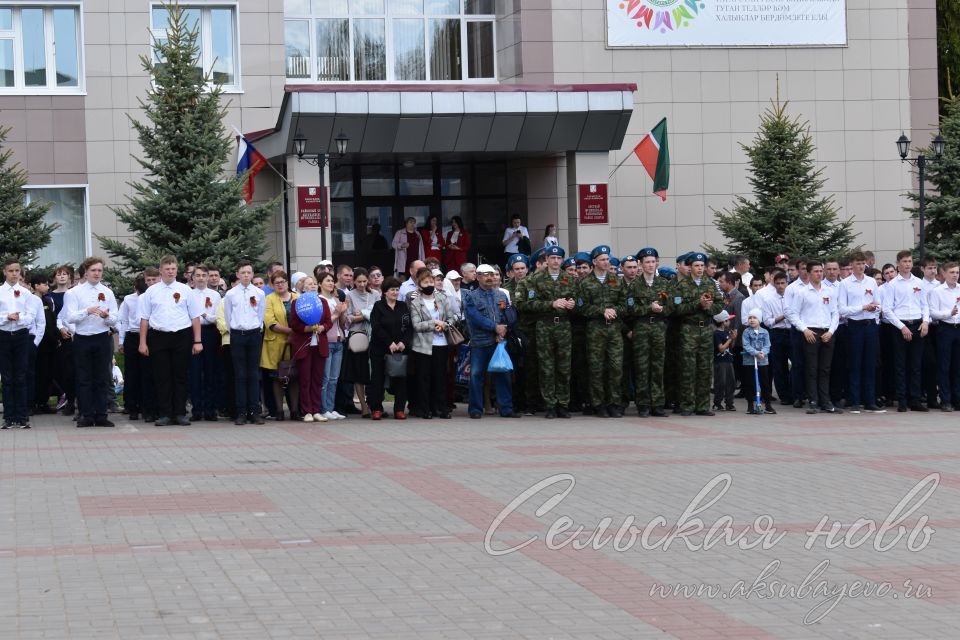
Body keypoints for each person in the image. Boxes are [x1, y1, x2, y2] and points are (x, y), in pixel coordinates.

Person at [138, 255, 203, 427]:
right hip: (159, 337)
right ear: (161, 271)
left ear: (177, 270)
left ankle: (180, 413)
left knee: (180, 376)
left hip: (182, 335)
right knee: (162, 376)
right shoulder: (151, 292)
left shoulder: (185, 290)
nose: (170, 271)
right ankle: (165, 414)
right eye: (167, 269)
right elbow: (144, 319)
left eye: (173, 268)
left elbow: (195, 317)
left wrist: (198, 341)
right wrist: (142, 342)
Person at [515, 245, 577, 418]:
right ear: (547, 260)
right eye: (552, 258)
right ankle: (550, 404)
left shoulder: (569, 279)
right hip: (544, 325)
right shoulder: (534, 279)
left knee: (564, 367)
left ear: (562, 260)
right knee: (546, 367)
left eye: (559, 258)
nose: (556, 261)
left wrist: (572, 305)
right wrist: (550, 304)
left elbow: (578, 301)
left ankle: (563, 404)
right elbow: (523, 304)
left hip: (564, 325)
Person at [62, 257, 118, 428]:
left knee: (102, 378)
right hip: (82, 338)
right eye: (93, 270)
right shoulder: (73, 293)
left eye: (100, 270)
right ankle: (86, 414)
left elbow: (115, 319)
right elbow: (69, 317)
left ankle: (101, 414)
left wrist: (106, 317)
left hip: (102, 337)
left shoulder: (108, 292)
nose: (97, 273)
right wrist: (87, 311)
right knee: (84, 378)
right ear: (85, 272)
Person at [576, 245, 626, 418]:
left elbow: (625, 303)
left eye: (607, 259)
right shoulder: (585, 282)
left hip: (614, 329)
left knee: (616, 367)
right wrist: (601, 311)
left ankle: (614, 402)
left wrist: (614, 310)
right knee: (596, 368)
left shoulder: (616, 280)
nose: (606, 262)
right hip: (595, 329)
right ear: (595, 262)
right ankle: (599, 404)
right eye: (603, 260)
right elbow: (581, 308)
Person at [785, 260, 841, 414]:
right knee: (811, 368)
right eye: (815, 271)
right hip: (811, 333)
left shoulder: (829, 291)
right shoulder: (801, 292)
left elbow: (835, 312)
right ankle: (813, 400)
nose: (819, 274)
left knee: (825, 369)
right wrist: (804, 329)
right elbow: (792, 313)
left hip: (827, 332)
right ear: (808, 274)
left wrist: (831, 331)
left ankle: (825, 401)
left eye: (820, 271)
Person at [464, 264, 516, 419]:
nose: (490, 278)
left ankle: (506, 408)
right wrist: (495, 328)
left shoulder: (501, 295)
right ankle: (475, 409)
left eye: (492, 275)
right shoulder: (470, 296)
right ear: (478, 277)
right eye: (485, 275)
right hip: (480, 342)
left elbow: (509, 314)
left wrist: (504, 329)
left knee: (503, 373)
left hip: (499, 342)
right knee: (476, 375)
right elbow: (475, 318)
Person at [673, 252, 723, 416]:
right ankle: (687, 404)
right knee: (688, 367)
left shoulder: (711, 283)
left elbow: (719, 305)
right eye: (696, 266)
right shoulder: (682, 285)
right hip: (689, 329)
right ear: (690, 267)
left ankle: (702, 405)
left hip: (706, 329)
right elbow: (677, 309)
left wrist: (710, 308)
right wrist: (698, 304)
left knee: (705, 367)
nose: (700, 269)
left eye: (702, 266)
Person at [626, 247, 673, 417]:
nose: (651, 265)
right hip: (642, 328)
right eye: (647, 262)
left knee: (658, 367)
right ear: (640, 264)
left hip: (659, 329)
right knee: (642, 367)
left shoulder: (664, 284)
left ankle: (658, 404)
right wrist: (648, 308)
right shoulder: (634, 285)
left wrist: (662, 310)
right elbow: (630, 308)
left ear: (657, 263)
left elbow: (671, 307)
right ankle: (643, 404)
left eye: (653, 262)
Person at [883, 250, 930, 412]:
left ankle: (914, 399)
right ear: (898, 264)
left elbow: (925, 305)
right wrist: (902, 327)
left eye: (910, 261)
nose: (907, 264)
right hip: (900, 326)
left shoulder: (919, 282)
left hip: (917, 325)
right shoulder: (892, 285)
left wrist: (925, 322)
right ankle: (902, 399)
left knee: (916, 365)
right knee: (900, 365)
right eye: (904, 261)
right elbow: (887, 310)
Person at [838, 251, 884, 413]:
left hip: (870, 325)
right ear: (852, 265)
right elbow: (842, 309)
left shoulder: (871, 281)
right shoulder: (845, 284)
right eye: (857, 264)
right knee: (855, 363)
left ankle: (870, 400)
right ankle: (855, 400)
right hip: (855, 326)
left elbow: (878, 303)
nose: (860, 266)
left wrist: (874, 313)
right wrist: (862, 307)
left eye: (862, 263)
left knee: (870, 364)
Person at [407, 267, 456, 419]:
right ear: (419, 285)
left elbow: (452, 317)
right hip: (423, 346)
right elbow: (416, 325)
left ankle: (440, 408)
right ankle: (424, 408)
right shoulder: (415, 302)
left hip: (441, 344)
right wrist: (433, 323)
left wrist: (445, 325)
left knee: (440, 378)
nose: (429, 284)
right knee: (424, 378)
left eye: (431, 281)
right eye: (425, 282)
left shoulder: (441, 298)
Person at [223, 261, 266, 425]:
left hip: (254, 334)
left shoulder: (259, 293)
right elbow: (228, 316)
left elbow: (260, 314)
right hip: (238, 335)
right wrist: (234, 330)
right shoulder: (231, 294)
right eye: (243, 272)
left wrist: (256, 328)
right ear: (238, 274)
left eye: (249, 272)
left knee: (254, 373)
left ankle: (254, 411)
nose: (246, 275)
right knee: (240, 374)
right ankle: (241, 411)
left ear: (253, 274)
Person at [289, 276, 333, 422]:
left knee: (317, 380)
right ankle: (306, 410)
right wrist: (306, 328)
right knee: (305, 379)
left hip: (319, 346)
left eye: (314, 284)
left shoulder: (323, 302)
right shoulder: (297, 303)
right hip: (304, 346)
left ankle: (316, 410)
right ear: (303, 287)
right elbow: (294, 324)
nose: (313, 286)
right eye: (309, 284)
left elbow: (328, 321)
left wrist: (323, 327)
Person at [368, 277, 412, 420]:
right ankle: (376, 408)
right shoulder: (378, 306)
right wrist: (389, 342)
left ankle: (399, 409)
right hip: (380, 348)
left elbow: (409, 327)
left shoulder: (403, 306)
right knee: (377, 378)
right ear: (385, 292)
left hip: (400, 349)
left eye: (397, 289)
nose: (395, 292)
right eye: (392, 290)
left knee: (401, 379)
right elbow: (376, 326)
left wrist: (403, 342)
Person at [0, 259, 36, 428]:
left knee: (21, 375)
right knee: (7, 377)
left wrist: (19, 318)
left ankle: (22, 416)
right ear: (4, 272)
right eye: (11, 271)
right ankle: (9, 416)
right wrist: (6, 317)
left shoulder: (26, 293)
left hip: (21, 336)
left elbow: (31, 316)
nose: (14, 274)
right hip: (4, 335)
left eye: (17, 270)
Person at [261, 270, 299, 421]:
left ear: (287, 283)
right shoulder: (269, 299)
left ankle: (295, 411)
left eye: (282, 282)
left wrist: (296, 334)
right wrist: (290, 331)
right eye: (276, 283)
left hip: (296, 343)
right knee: (278, 377)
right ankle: (279, 411)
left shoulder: (297, 298)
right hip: (276, 344)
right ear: (272, 285)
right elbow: (270, 322)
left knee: (295, 376)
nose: (280, 285)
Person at [344, 267, 380, 418]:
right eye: (359, 281)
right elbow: (348, 318)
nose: (362, 284)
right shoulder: (349, 295)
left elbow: (378, 313)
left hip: (374, 336)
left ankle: (375, 403)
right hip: (357, 336)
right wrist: (365, 315)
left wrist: (364, 313)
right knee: (359, 372)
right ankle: (363, 405)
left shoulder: (375, 294)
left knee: (374, 371)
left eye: (365, 281)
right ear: (353, 281)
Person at [189, 266, 222, 421]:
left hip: (209, 332)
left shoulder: (215, 295)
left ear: (208, 278)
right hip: (193, 333)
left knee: (211, 370)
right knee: (195, 372)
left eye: (204, 275)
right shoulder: (188, 294)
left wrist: (205, 315)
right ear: (192, 278)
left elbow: (217, 317)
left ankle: (210, 409)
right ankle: (197, 408)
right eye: (198, 275)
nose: (201, 278)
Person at [929, 262, 960, 412]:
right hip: (945, 329)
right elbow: (933, 313)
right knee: (944, 366)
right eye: (952, 272)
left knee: (957, 366)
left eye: (957, 272)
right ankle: (946, 400)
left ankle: (957, 398)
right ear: (945, 274)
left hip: (958, 328)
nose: (955, 275)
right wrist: (948, 313)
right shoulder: (938, 291)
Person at [760, 270, 794, 406]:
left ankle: (795, 393)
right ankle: (784, 395)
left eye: (783, 283)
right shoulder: (768, 300)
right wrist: (783, 316)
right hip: (777, 333)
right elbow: (768, 321)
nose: (781, 286)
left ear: (787, 283)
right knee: (779, 366)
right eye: (778, 283)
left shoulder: (793, 297)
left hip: (792, 331)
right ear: (774, 284)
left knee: (796, 364)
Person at [318, 272, 347, 420]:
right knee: (326, 377)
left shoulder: (336, 299)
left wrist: (343, 313)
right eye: (327, 280)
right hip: (326, 341)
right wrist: (336, 313)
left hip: (338, 340)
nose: (331, 283)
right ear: (320, 283)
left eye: (332, 281)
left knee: (334, 378)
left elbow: (341, 323)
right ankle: (323, 408)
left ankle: (330, 407)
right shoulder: (319, 300)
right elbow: (325, 322)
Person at [30, 273, 58, 415]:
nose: (47, 286)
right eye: (44, 284)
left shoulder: (48, 300)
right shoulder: (31, 301)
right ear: (36, 286)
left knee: (47, 373)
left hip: (49, 343)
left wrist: (55, 337)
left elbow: (52, 321)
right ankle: (33, 402)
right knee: (37, 373)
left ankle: (43, 401)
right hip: (37, 343)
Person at [741, 308, 775, 414]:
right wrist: (756, 353)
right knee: (749, 383)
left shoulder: (765, 332)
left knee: (765, 383)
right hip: (749, 361)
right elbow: (746, 345)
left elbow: (767, 345)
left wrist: (763, 353)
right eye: (750, 318)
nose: (752, 320)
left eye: (754, 318)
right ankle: (750, 405)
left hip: (762, 361)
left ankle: (768, 405)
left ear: (759, 320)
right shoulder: (746, 332)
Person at [713, 310, 737, 412]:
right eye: (728, 320)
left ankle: (729, 403)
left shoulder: (728, 332)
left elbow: (731, 346)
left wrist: (734, 338)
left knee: (731, 382)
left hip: (729, 360)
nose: (730, 322)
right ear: (723, 322)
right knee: (720, 382)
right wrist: (730, 339)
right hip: (720, 361)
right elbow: (721, 348)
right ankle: (717, 403)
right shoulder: (717, 334)